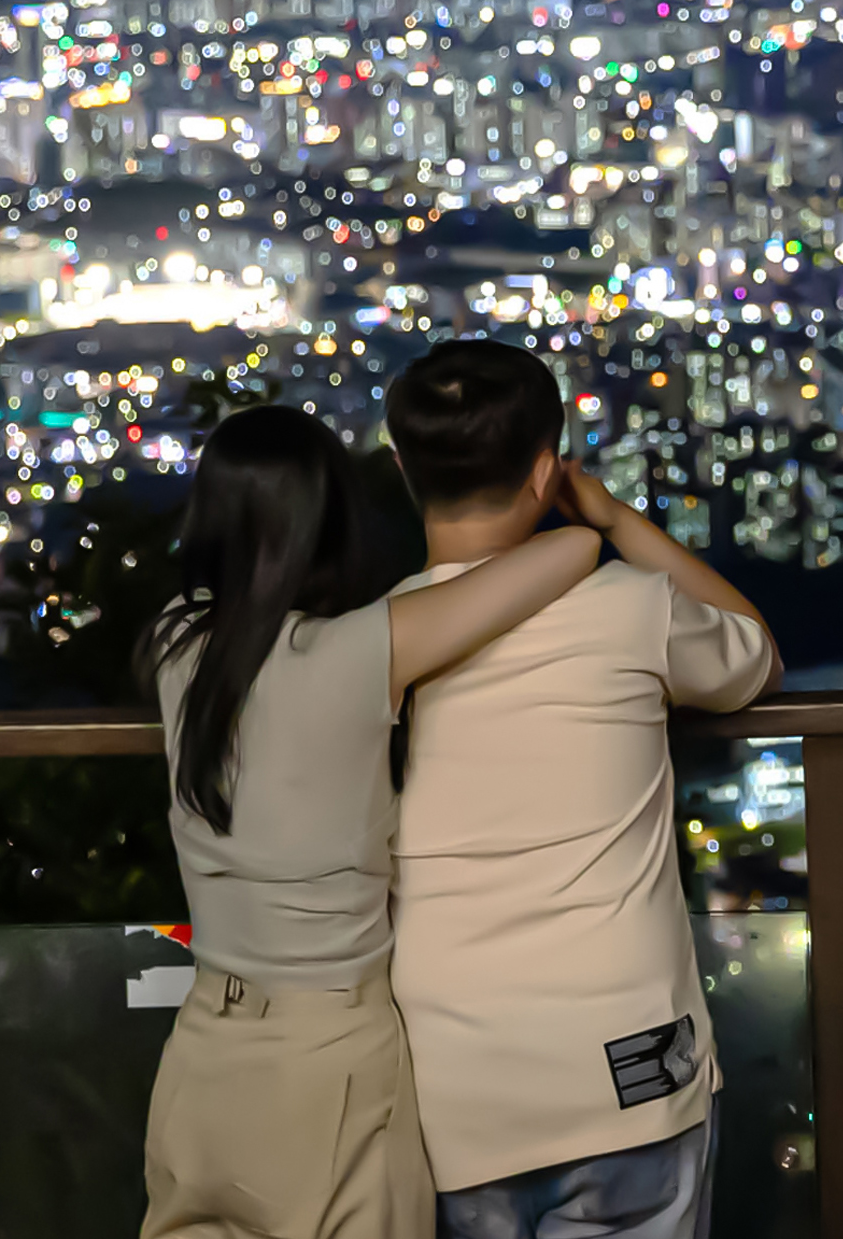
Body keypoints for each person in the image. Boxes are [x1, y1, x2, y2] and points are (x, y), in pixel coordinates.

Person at [139, 404, 606, 1239]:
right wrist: (580, 500)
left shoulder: (177, 644)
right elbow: (572, 551)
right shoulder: (359, 651)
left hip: (203, 1048)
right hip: (330, 1060)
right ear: (328, 523)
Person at [380, 338, 779, 1239]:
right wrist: (612, 517)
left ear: (403, 469)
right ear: (544, 472)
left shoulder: (377, 642)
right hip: (629, 1068)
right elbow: (754, 655)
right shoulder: (632, 608)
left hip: (449, 1086)